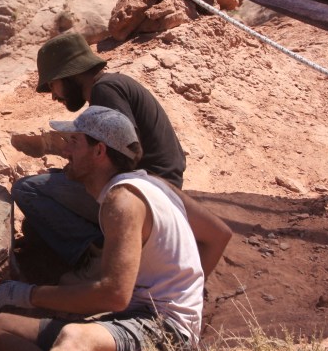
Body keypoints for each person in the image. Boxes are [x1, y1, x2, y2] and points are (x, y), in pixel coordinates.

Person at [0, 106, 205, 351]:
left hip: (164, 332)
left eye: (74, 142)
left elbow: (114, 295)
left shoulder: (123, 200)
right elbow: (218, 234)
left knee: (75, 338)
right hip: (135, 319)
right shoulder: (148, 185)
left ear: (99, 151)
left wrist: (29, 295)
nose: (65, 150)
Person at [12, 32, 230, 276]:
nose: (54, 95)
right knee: (45, 203)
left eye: (53, 84)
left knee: (27, 189)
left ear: (69, 75)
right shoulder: (113, 85)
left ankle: (95, 255)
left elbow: (122, 152)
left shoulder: (105, 91)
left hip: (143, 194)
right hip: (160, 186)